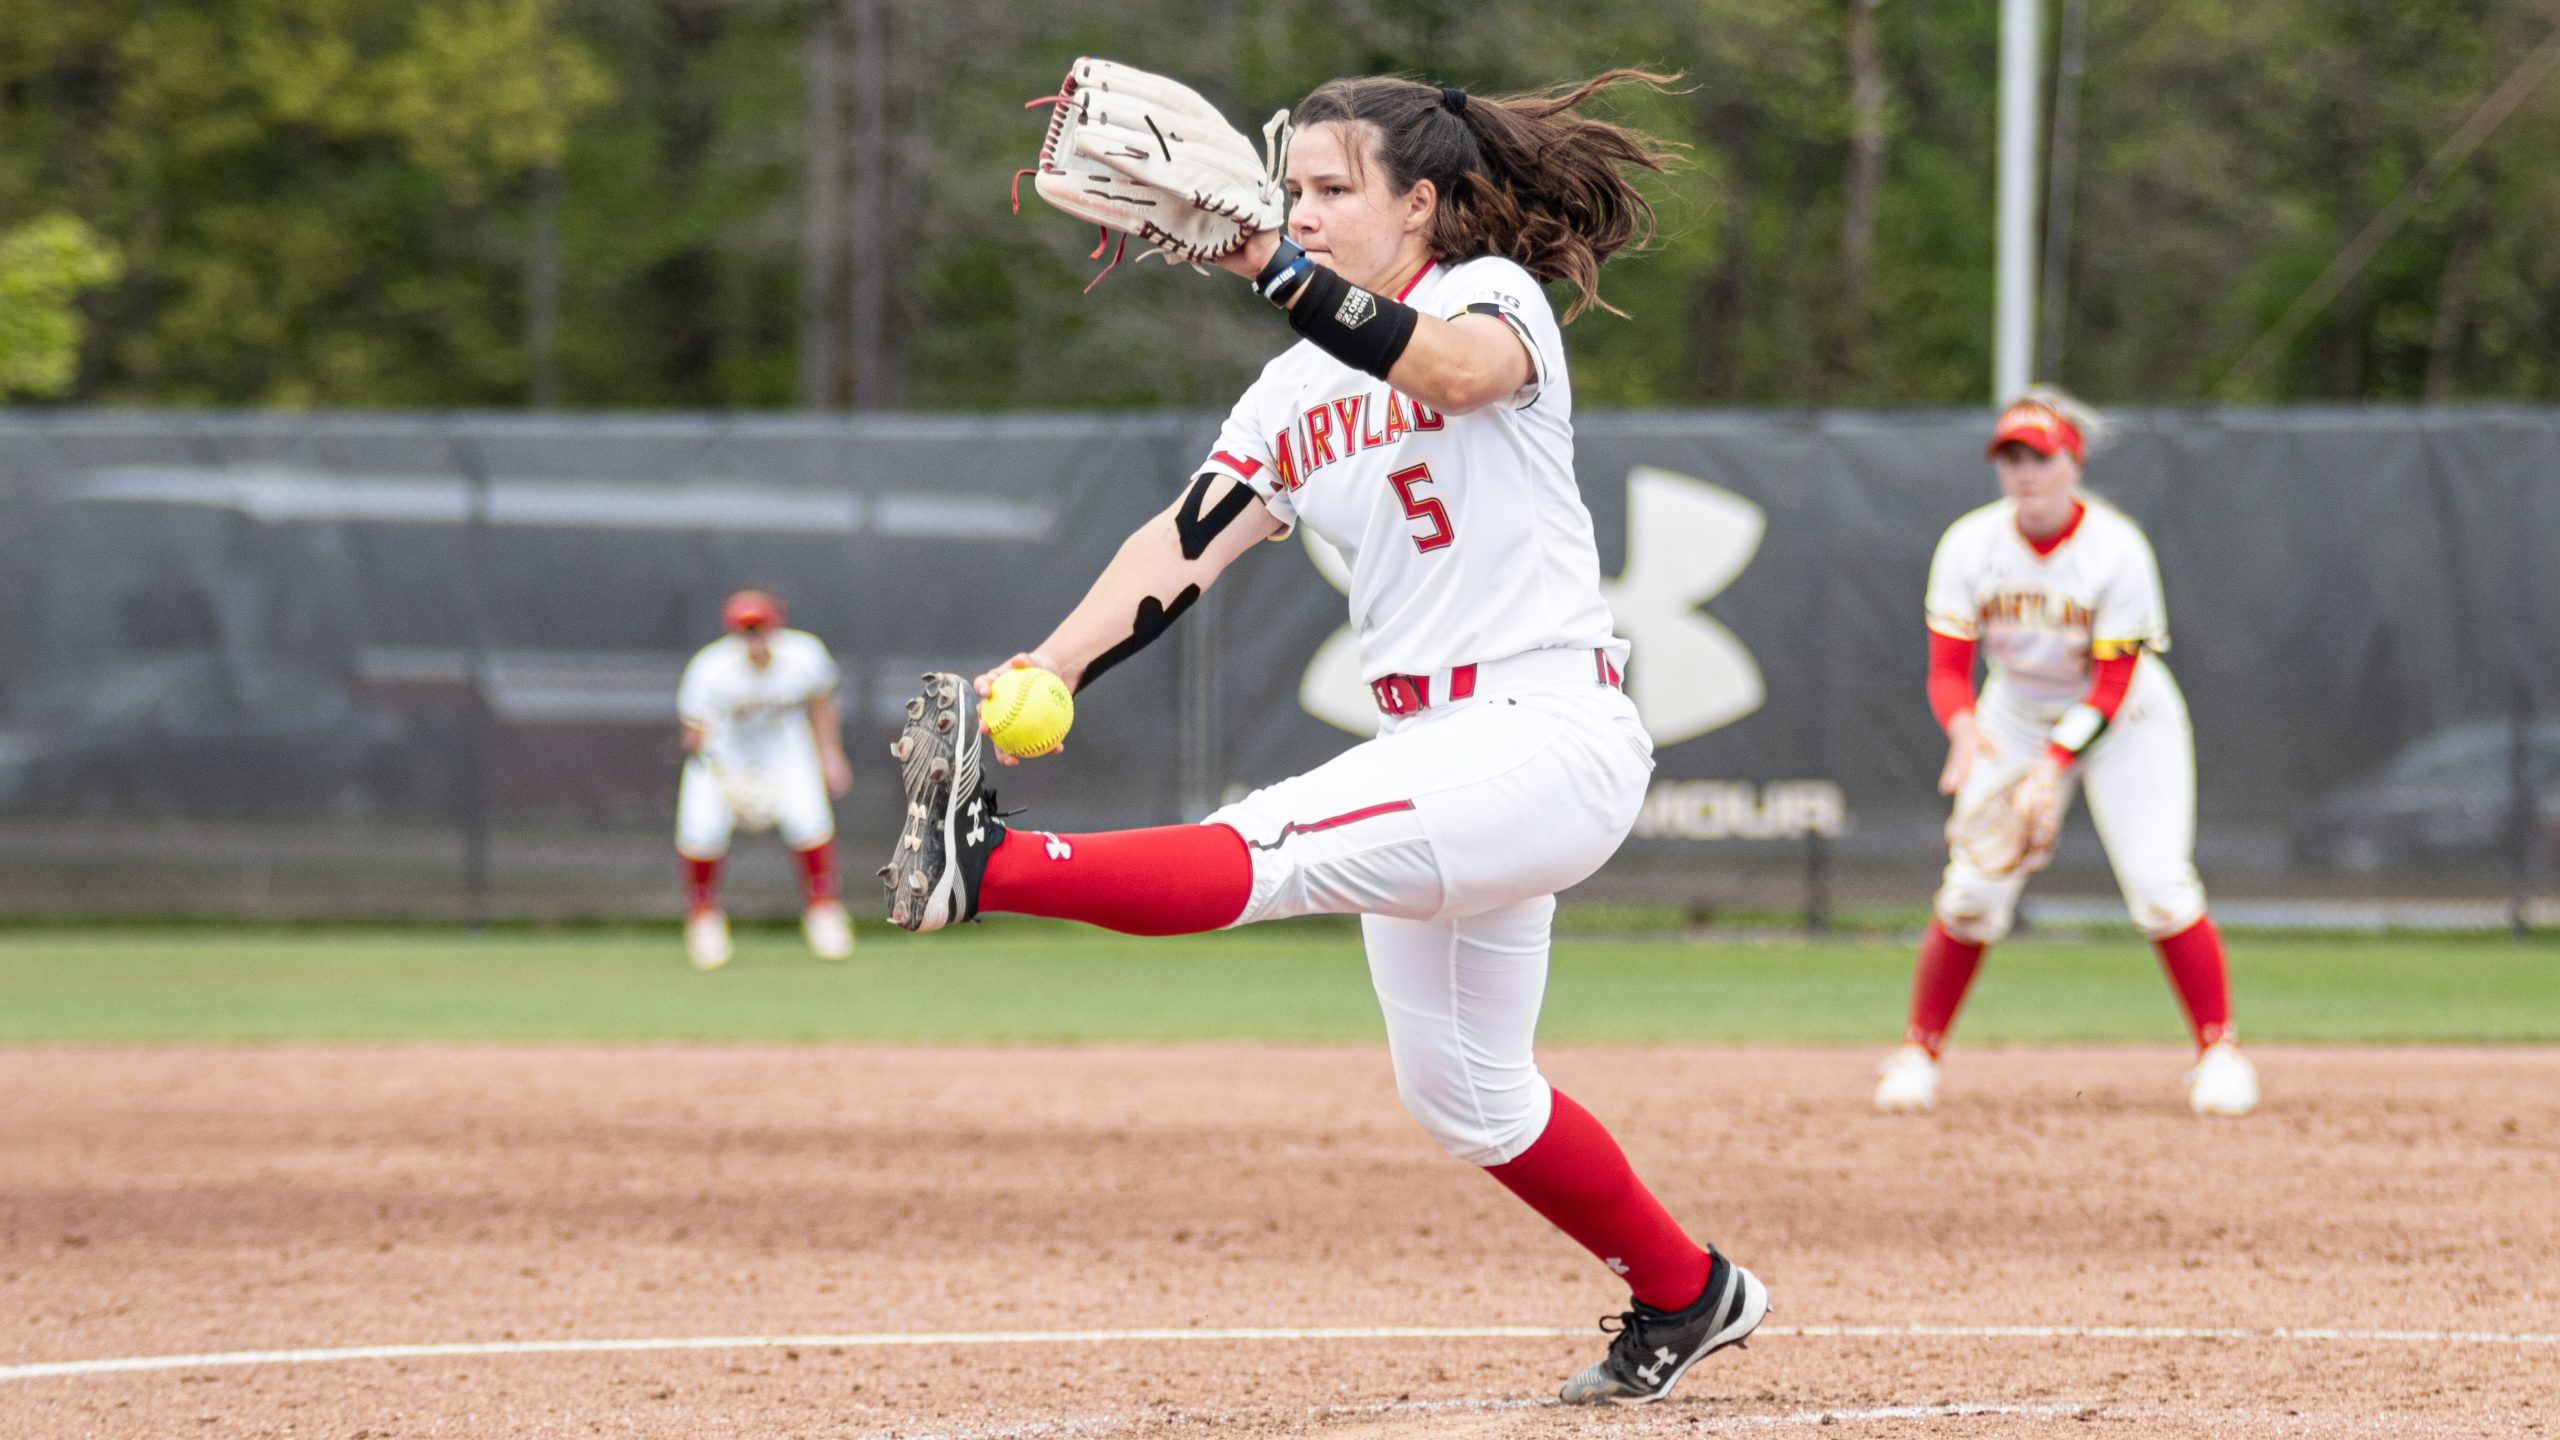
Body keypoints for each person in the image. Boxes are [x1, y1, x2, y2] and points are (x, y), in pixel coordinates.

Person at [882, 69, 1767, 1406]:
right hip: (1442, 750)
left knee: (1276, 840)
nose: (1300, 211)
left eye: (1330, 192)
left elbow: (1453, 374)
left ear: (1422, 204)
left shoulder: (1490, 303)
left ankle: (989, 869)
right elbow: (1181, 544)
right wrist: (1050, 669)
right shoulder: (1295, 390)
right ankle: (1689, 1290)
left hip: (1546, 724)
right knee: (1467, 1096)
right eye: (1292, 189)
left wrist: (1262, 263)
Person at [1873, 388, 2260, 1117]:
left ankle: (2220, 1050)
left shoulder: (2115, 549)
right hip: (2013, 717)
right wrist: (1963, 733)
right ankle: (1918, 1053)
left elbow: (2112, 683)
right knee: (1972, 891)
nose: (2025, 472)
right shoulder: (1970, 544)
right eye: (2011, 458)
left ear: (2071, 463)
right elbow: (1949, 671)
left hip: (2131, 721)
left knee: (2159, 886)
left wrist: (2053, 768)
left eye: (2040, 457)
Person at [676, 589, 855, 968]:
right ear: (733, 632)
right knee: (701, 829)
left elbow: (823, 702)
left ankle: (824, 913)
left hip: (786, 752)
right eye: (746, 630)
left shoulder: (804, 656)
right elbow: (694, 732)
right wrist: (720, 774)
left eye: (759, 628)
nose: (753, 638)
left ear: (776, 626)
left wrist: (830, 754)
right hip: (725, 758)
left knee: (810, 822)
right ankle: (703, 919)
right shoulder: (711, 667)